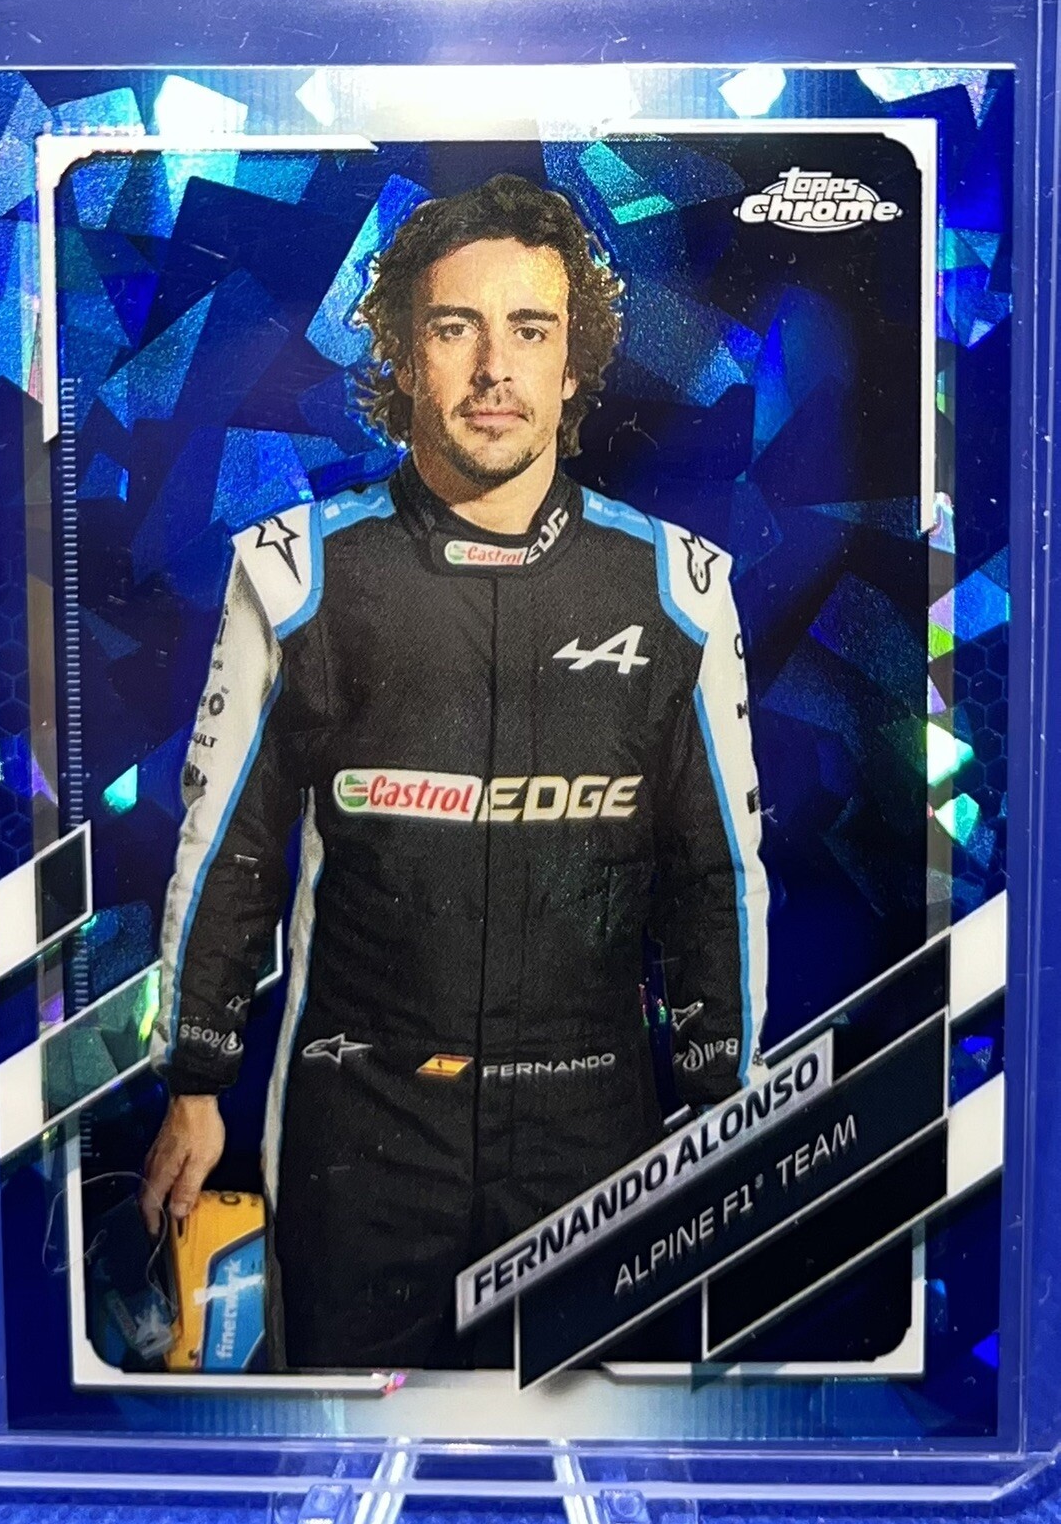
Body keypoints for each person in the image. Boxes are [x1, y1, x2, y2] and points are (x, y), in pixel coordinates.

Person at [141, 173, 769, 1370]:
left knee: (596, 1449)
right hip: (358, 1129)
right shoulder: (291, 572)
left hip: (594, 1132)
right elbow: (227, 847)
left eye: (529, 330)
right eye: (453, 328)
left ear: (572, 361)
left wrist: (718, 1106)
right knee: (341, 1448)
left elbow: (715, 873)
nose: (493, 369)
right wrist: (194, 1080)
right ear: (401, 353)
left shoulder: (679, 587)